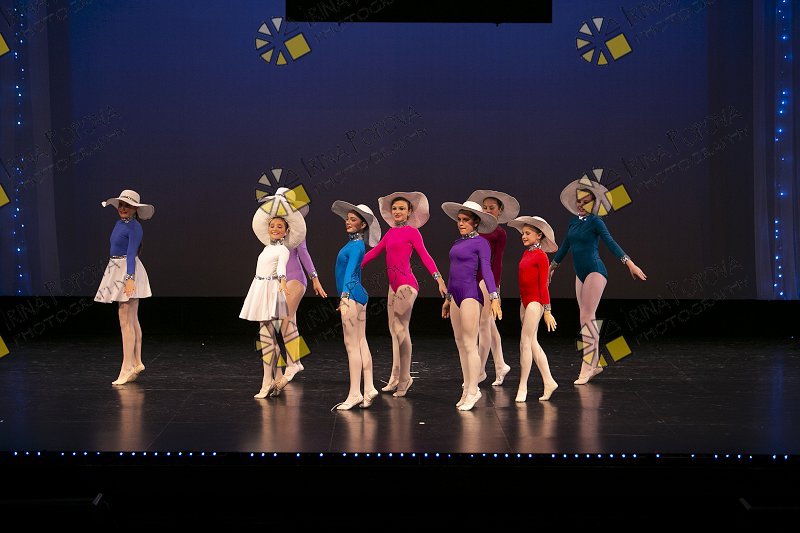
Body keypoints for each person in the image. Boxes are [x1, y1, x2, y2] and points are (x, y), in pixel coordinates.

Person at [549, 175, 647, 385]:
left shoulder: (596, 221)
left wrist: (629, 263)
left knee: (586, 316)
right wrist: (552, 266)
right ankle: (594, 364)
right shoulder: (573, 222)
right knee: (586, 318)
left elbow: (610, 242)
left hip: (595, 271)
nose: (581, 205)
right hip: (580, 273)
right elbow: (565, 246)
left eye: (586, 202)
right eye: (579, 201)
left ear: (594, 204)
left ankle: (587, 366)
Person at [361, 191, 447, 397]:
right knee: (394, 330)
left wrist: (439, 279)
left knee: (401, 329)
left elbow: (425, 256)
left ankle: (406, 377)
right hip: (393, 286)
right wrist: (355, 266)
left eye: (401, 208)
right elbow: (374, 252)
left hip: (407, 285)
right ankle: (395, 375)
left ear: (409, 212)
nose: (397, 211)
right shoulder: (390, 233)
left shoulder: (412, 232)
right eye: (394, 208)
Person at [240, 194, 307, 399]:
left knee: (277, 332)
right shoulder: (267, 248)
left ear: (286, 231)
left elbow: (281, 269)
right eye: (272, 226)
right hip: (260, 289)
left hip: (273, 290)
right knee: (266, 339)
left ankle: (272, 377)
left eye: (280, 226)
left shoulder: (284, 250)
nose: (275, 229)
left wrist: (283, 282)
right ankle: (274, 378)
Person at [440, 199, 502, 411]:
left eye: (466, 220)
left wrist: (494, 296)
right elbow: (452, 272)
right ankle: (467, 388)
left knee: (469, 344)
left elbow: (487, 270)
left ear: (476, 222)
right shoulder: (457, 243)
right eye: (459, 219)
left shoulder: (481, 243)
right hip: (455, 295)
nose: (461, 223)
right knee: (460, 344)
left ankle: (474, 390)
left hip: (470, 294)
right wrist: (448, 298)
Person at [94, 189, 154, 386]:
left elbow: (131, 254)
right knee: (131, 319)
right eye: (121, 205)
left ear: (135, 209)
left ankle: (127, 366)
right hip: (117, 267)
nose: (123, 208)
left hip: (127, 271)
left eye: (127, 206)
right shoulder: (119, 224)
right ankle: (137, 361)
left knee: (125, 319)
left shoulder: (135, 227)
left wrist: (129, 278)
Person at [269, 187, 327, 386]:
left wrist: (315, 278)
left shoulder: (297, 229)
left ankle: (293, 363)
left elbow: (303, 253)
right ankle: (296, 362)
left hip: (296, 279)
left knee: (285, 320)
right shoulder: (275, 227)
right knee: (290, 323)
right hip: (281, 281)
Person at [466, 189, 520, 386]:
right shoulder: (476, 229)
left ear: (500, 211)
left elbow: (497, 262)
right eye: (485, 207)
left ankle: (480, 370)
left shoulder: (499, 233)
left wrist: (494, 288)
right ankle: (500, 364)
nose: (487, 210)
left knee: (484, 324)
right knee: (489, 324)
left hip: (488, 281)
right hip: (474, 279)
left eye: (492, 208)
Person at [331, 200, 382, 410]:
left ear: (363, 225)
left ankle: (354, 393)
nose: (348, 222)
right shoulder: (356, 245)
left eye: (353, 220)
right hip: (358, 295)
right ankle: (369, 387)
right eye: (347, 219)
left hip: (351, 295)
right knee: (361, 341)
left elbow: (351, 272)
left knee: (351, 345)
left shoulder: (356, 246)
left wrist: (344, 296)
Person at [507, 216, 559, 402]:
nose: (524, 236)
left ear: (539, 235)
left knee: (525, 343)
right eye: (523, 233)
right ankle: (549, 381)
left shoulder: (541, 256)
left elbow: (544, 285)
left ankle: (523, 386)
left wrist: (547, 310)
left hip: (536, 302)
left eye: (528, 233)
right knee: (533, 343)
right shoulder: (526, 253)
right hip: (525, 301)